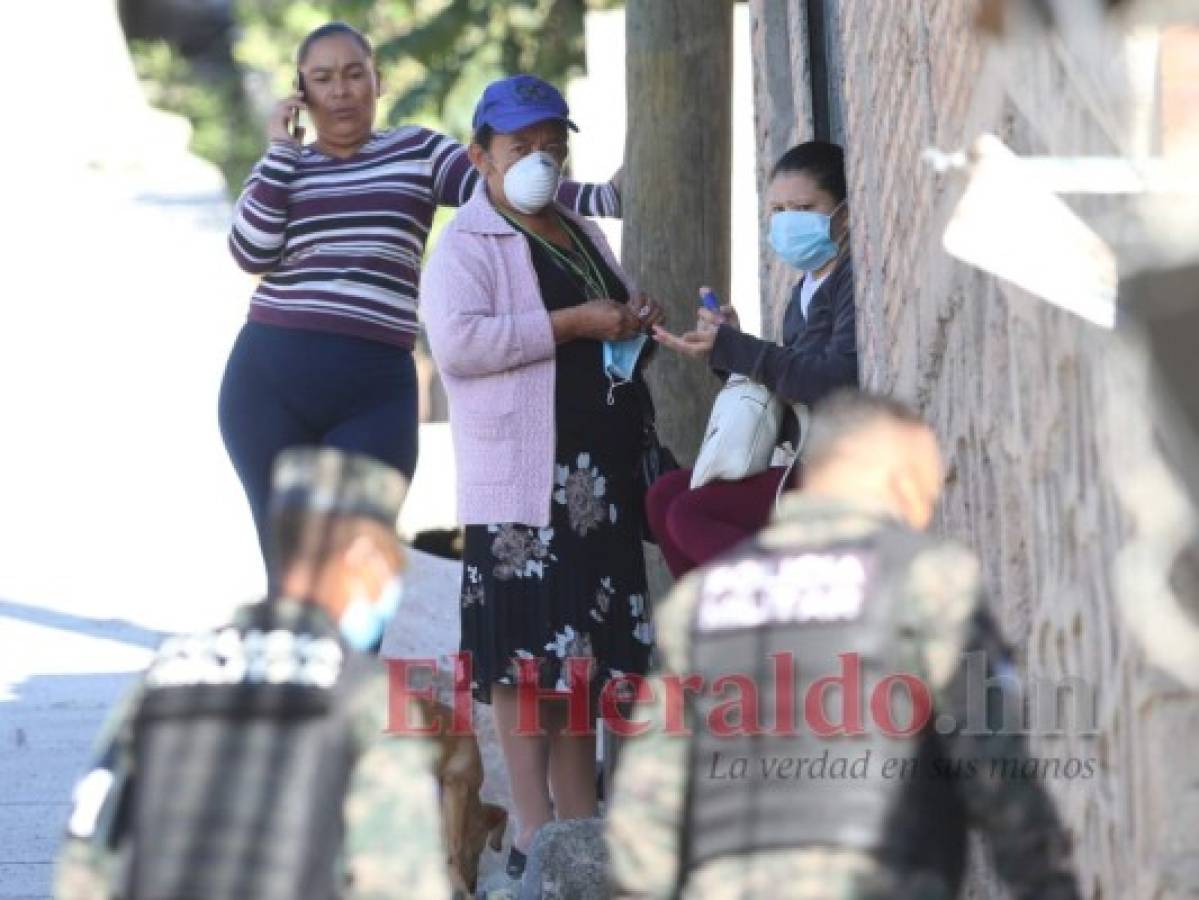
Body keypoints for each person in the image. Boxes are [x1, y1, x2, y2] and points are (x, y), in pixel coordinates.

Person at [606, 390, 1081, 899]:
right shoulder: (926, 585)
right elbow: (995, 766)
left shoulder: (700, 605)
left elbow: (649, 801)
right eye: (921, 487)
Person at [220, 21, 623, 568]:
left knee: (357, 566)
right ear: (301, 92)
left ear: (377, 81)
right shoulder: (282, 168)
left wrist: (605, 198)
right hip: (268, 383)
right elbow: (251, 250)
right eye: (322, 78)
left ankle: (355, 659)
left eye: (354, 74)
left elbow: (508, 189)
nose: (340, 90)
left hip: (374, 388)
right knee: (290, 569)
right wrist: (280, 150)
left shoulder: (416, 151)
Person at [422, 74, 664, 880]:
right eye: (519, 148)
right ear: (481, 158)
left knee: (581, 668)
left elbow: (611, 314)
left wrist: (634, 322)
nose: (538, 162)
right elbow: (459, 344)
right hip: (523, 490)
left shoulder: (579, 230)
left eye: (551, 147)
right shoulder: (468, 244)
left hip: (597, 485)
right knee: (528, 672)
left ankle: (579, 831)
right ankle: (532, 835)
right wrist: (574, 324)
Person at [53, 447, 451, 900]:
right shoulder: (361, 694)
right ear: (362, 557)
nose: (392, 584)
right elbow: (400, 881)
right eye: (393, 564)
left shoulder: (164, 674)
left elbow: (86, 855)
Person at [647, 141, 858, 578]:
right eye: (778, 210)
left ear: (845, 213)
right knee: (664, 495)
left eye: (803, 207)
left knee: (691, 514)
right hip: (800, 460)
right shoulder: (802, 291)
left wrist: (737, 348)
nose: (787, 222)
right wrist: (730, 348)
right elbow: (788, 384)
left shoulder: (847, 278)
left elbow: (834, 380)